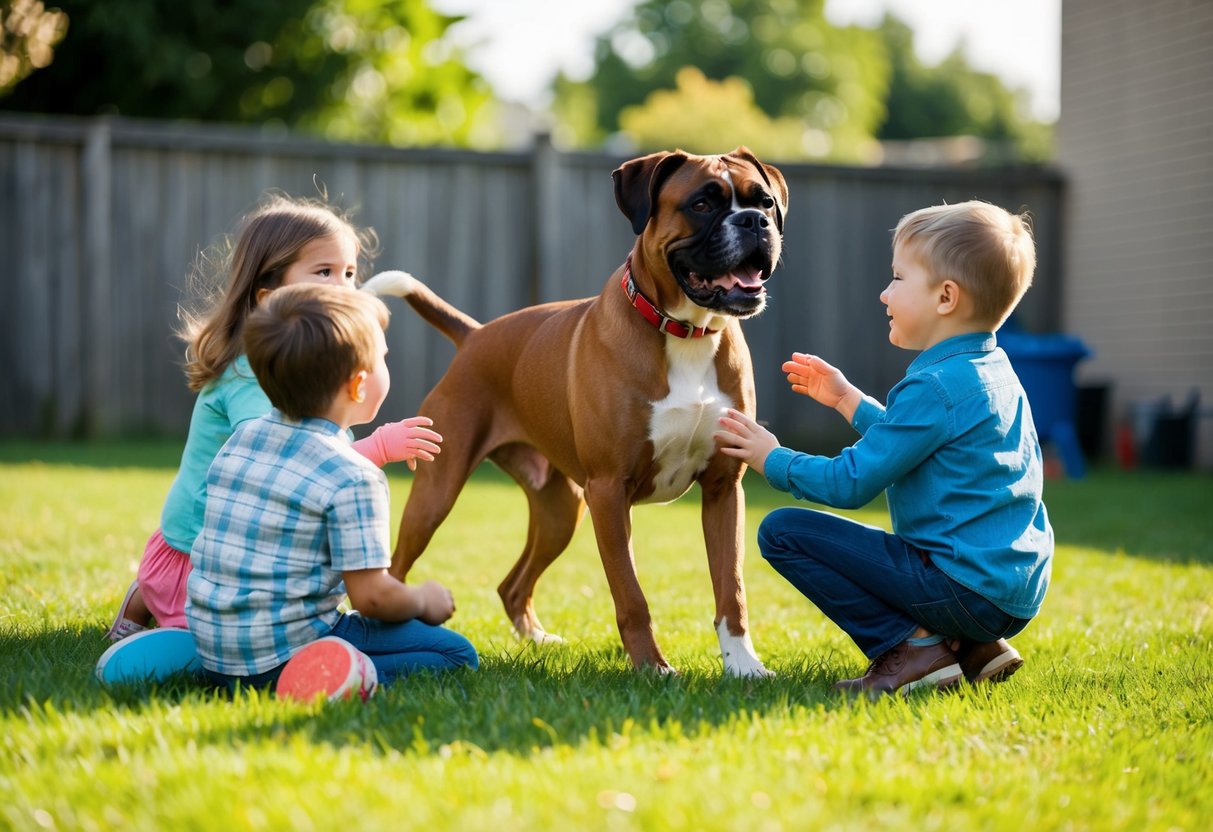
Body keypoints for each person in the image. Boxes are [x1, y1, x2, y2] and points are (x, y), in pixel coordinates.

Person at [98, 195, 441, 685]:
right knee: (244, 638)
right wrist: (380, 447)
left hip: (223, 551)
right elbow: (293, 466)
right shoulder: (252, 380)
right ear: (267, 295)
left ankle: (160, 615)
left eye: (349, 274)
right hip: (213, 557)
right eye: (323, 272)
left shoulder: (283, 369)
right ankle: (178, 628)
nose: (344, 287)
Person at [715, 200, 1053, 697]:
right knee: (907, 555)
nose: (883, 292)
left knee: (783, 532)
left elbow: (851, 483)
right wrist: (848, 400)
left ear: (945, 297)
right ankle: (975, 648)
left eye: (897, 278)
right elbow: (915, 442)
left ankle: (914, 649)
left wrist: (772, 457)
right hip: (1011, 591)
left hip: (963, 588)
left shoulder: (933, 386)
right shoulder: (992, 371)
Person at [186, 283, 478, 695]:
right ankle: (321, 678)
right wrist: (423, 600)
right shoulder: (355, 476)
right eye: (384, 359)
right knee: (455, 654)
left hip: (212, 643)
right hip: (282, 653)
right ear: (359, 386)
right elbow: (371, 598)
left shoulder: (243, 438)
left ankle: (197, 663)